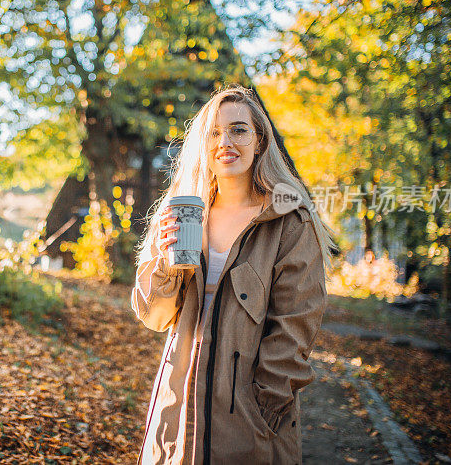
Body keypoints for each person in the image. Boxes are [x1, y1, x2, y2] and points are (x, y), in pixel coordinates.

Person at [131, 85, 337, 464]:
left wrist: (264, 405)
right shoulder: (185, 214)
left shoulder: (289, 221)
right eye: (213, 132)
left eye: (238, 130)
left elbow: (296, 324)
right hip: (177, 406)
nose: (225, 141)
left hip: (248, 419)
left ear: (259, 140)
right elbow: (155, 317)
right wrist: (165, 259)